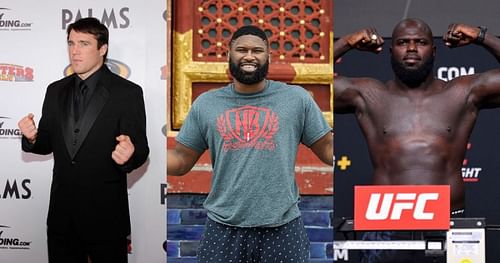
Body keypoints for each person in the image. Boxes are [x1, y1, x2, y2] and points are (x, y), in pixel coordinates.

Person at [334, 18, 500, 262]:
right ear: (391, 51)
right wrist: (345, 43)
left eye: (420, 42)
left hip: (450, 222)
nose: (411, 48)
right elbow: (305, 83)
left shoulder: (462, 93)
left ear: (433, 51)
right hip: (383, 224)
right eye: (403, 42)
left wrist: (481, 35)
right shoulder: (369, 95)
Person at [167, 25, 333, 262]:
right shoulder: (207, 104)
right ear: (228, 55)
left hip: (282, 227)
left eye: (257, 50)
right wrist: (145, 155)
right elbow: (182, 160)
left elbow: (326, 146)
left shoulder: (296, 99)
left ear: (268, 57)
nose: (249, 56)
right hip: (223, 227)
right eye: (241, 50)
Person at [18, 17, 149, 263]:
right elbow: (46, 143)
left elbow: (140, 149)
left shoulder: (127, 93)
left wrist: (130, 155)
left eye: (84, 43)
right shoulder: (55, 90)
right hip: (62, 217)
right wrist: (32, 137)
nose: (75, 51)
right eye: (71, 43)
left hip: (106, 217)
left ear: (103, 49)